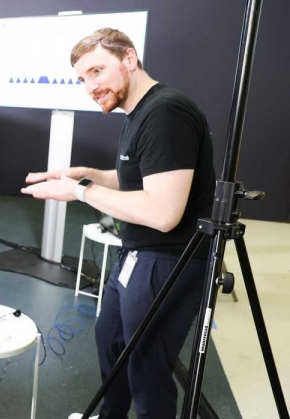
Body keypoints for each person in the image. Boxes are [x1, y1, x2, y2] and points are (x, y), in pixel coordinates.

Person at [21, 28, 216, 419]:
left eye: (97, 71)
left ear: (129, 58)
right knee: (110, 339)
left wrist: (80, 191)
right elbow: (134, 177)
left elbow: (163, 213)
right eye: (82, 79)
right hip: (137, 253)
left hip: (169, 259)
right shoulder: (137, 112)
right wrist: (86, 174)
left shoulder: (166, 112)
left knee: (146, 365)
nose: (90, 87)